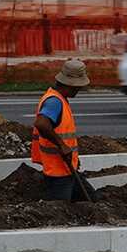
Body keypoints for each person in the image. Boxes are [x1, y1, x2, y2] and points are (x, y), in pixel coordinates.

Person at [32, 59, 97, 202]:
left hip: (66, 167)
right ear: (70, 84)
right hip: (58, 172)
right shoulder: (54, 102)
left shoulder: (59, 99)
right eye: (78, 87)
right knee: (59, 210)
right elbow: (41, 123)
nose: (79, 90)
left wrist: (72, 156)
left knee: (91, 200)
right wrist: (62, 145)